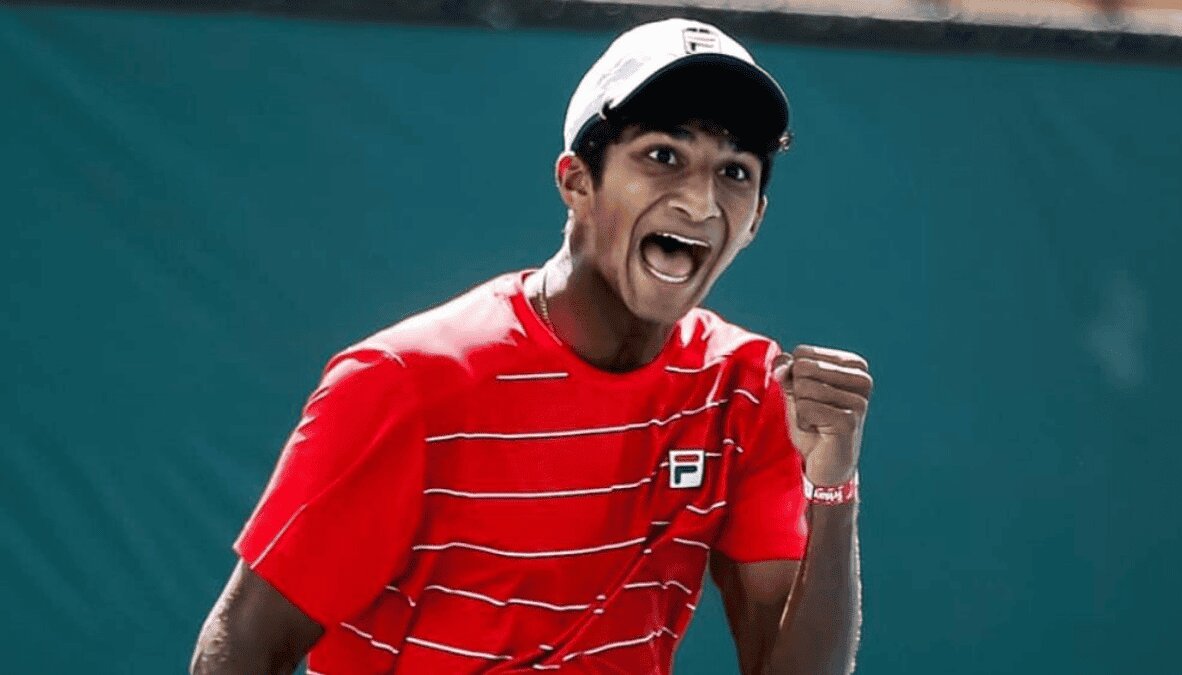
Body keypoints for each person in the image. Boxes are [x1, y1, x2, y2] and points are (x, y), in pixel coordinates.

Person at [192, 17, 871, 675]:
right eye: (664, 155)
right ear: (577, 181)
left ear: (755, 221)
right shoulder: (403, 383)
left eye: (735, 173)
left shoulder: (746, 388)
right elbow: (241, 648)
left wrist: (833, 485)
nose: (699, 201)